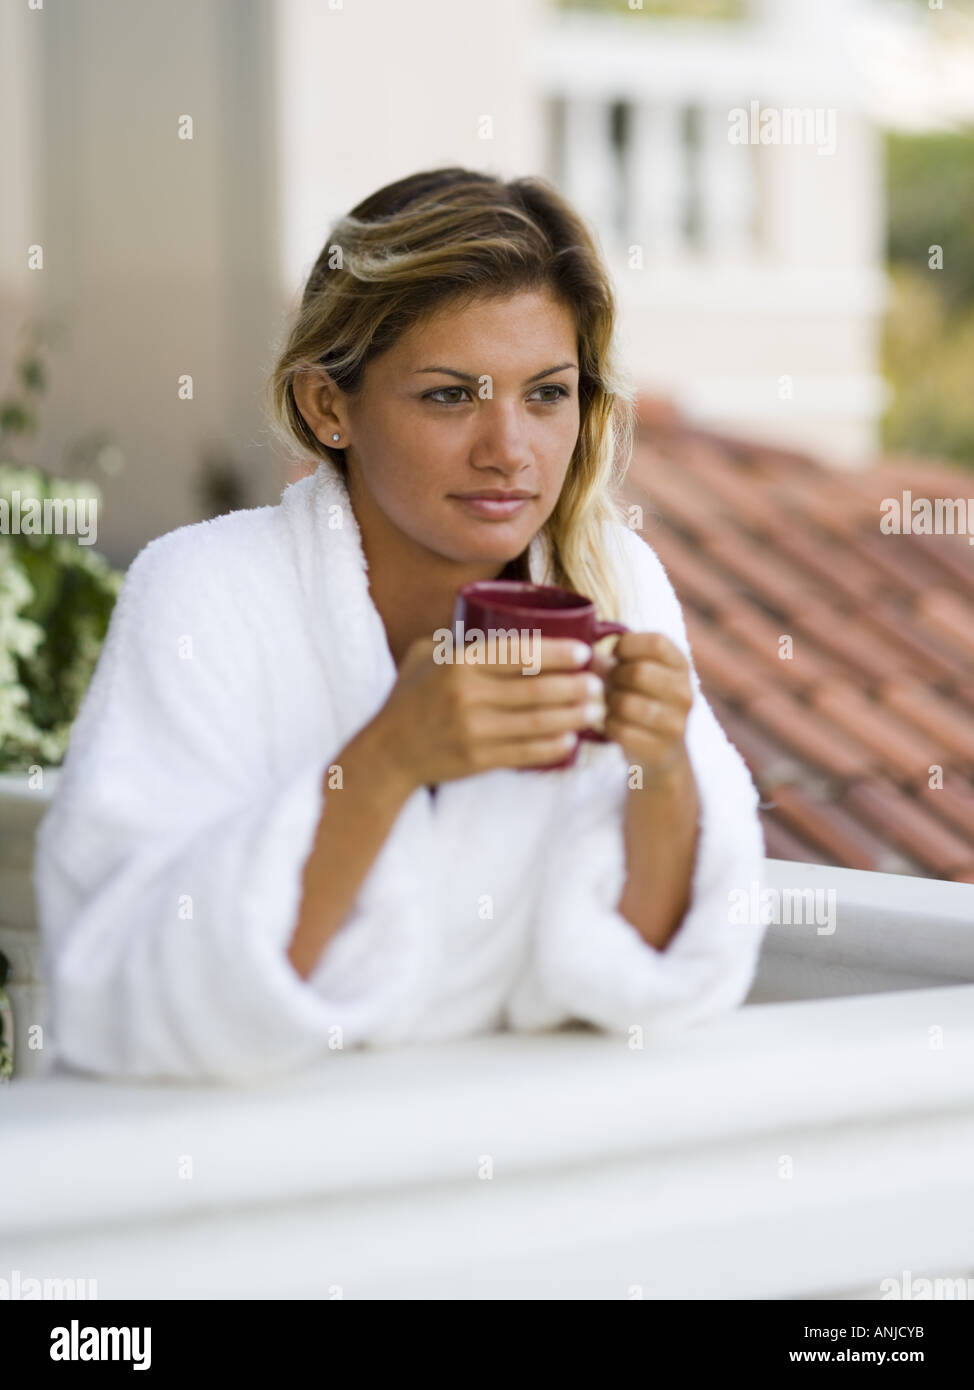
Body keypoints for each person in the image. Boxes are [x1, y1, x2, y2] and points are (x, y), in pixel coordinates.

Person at [33, 167, 769, 1084]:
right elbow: (126, 994)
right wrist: (387, 759)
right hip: (251, 1174)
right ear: (327, 406)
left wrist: (661, 769)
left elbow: (644, 975)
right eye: (450, 395)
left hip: (520, 1166)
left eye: (546, 394)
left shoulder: (614, 582)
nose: (510, 450)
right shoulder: (205, 595)